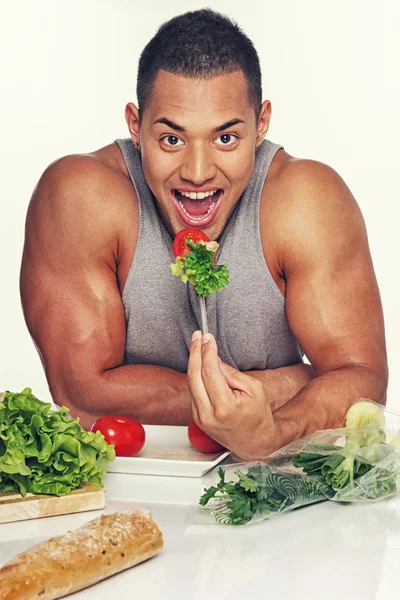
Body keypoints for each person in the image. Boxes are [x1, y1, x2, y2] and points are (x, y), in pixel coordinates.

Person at [20, 9, 387, 460]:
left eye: (226, 139)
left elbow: (362, 379)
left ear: (262, 122)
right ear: (136, 125)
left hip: (279, 489)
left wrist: (271, 433)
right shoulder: (80, 196)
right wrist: (292, 382)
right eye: (172, 140)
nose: (197, 173)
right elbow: (82, 391)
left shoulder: (306, 200)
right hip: (133, 488)